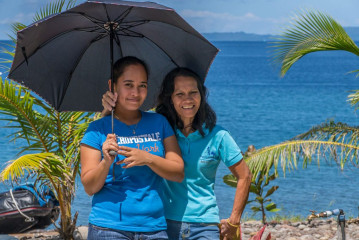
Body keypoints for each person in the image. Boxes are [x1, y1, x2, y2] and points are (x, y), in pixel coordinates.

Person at [102, 67, 252, 240]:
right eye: (179, 94)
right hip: (163, 224)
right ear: (170, 99)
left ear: (202, 95)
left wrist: (234, 221)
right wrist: (109, 108)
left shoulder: (218, 135)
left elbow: (244, 175)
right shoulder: (158, 129)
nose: (187, 99)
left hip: (205, 225)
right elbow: (121, 128)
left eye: (193, 92)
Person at [81, 56, 184, 240]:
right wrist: (106, 162)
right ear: (113, 86)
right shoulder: (97, 129)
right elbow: (89, 187)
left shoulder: (159, 122)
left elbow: (178, 172)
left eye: (142, 85)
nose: (136, 92)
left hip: (154, 228)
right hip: (109, 228)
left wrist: (148, 158)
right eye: (128, 84)